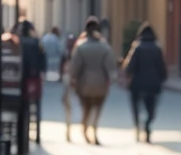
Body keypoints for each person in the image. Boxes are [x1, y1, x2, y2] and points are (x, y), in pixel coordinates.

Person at [66, 16, 113, 145]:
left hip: (84, 83)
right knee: (97, 108)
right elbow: (110, 67)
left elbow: (75, 67)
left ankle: (85, 129)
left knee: (86, 108)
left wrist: (73, 79)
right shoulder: (105, 47)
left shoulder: (80, 46)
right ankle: (94, 129)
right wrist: (111, 79)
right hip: (101, 83)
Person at [121, 24, 168, 143]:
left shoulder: (137, 47)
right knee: (151, 108)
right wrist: (162, 78)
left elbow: (130, 67)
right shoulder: (157, 48)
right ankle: (147, 124)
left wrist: (127, 75)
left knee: (136, 106)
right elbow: (161, 67)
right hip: (153, 83)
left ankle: (137, 126)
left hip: (137, 84)